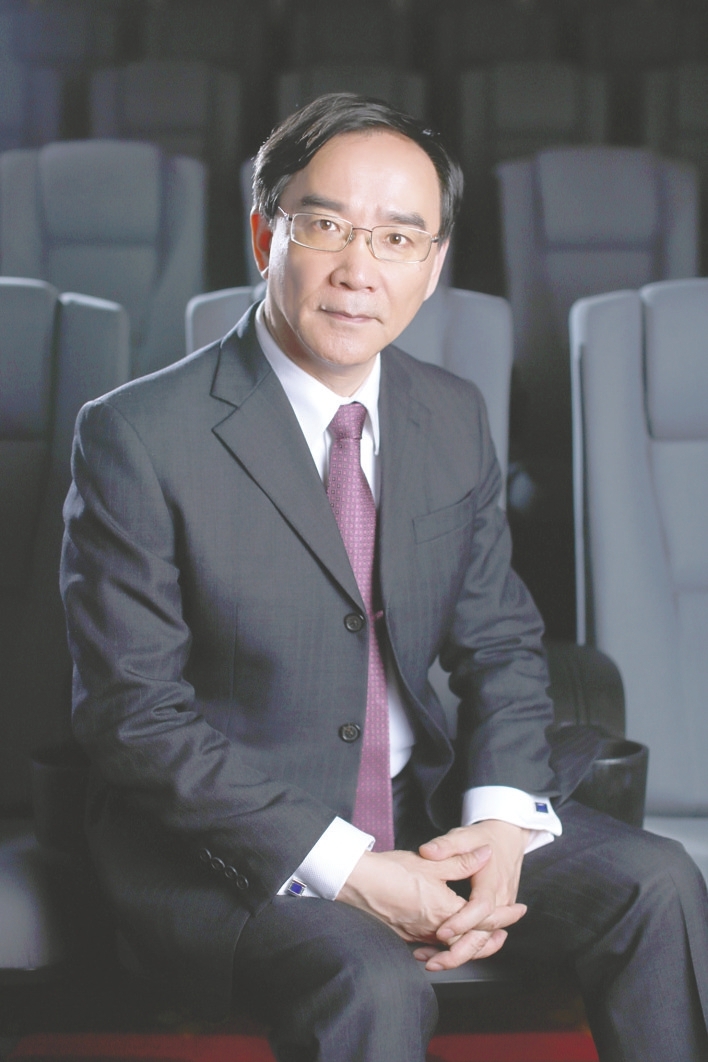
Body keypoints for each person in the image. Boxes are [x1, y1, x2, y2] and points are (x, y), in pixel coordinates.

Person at [60, 94, 708, 1062]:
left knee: (659, 884)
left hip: (425, 804)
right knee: (373, 980)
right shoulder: (137, 436)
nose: (359, 270)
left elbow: (501, 644)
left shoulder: (451, 415)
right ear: (264, 235)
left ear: (433, 266)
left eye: (399, 239)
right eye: (325, 226)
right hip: (235, 840)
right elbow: (134, 718)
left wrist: (498, 823)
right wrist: (349, 867)